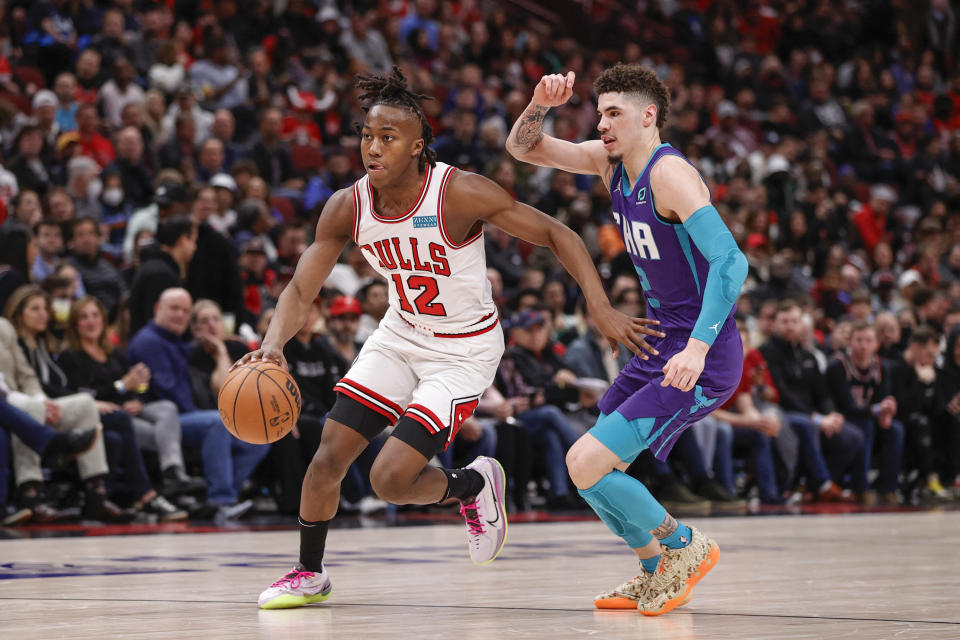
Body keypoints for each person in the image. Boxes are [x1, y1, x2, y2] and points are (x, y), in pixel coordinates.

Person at [238, 68, 658, 609]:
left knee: (390, 480)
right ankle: (308, 572)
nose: (372, 147)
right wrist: (274, 343)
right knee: (327, 459)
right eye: (367, 135)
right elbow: (300, 287)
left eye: (387, 138)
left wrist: (598, 306)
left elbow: (559, 233)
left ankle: (473, 486)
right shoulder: (348, 205)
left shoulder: (458, 193)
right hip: (399, 336)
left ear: (417, 147)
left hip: (463, 351)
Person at [506, 64, 747, 614]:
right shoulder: (607, 163)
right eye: (599, 115)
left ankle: (685, 546)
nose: (603, 125)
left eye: (614, 114)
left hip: (699, 356)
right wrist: (540, 103)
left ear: (648, 116)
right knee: (586, 468)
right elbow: (524, 150)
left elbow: (731, 261)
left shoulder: (672, 176)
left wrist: (697, 348)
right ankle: (652, 567)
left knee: (587, 461)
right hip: (658, 344)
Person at [128, 288, 269, 519]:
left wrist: (221, 344)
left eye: (185, 310)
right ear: (157, 309)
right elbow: (170, 395)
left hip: (183, 416)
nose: (180, 315)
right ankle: (221, 500)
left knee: (258, 438)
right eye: (174, 308)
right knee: (216, 422)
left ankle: (220, 499)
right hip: (163, 421)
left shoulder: (173, 341)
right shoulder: (149, 342)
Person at [58, 295, 205, 499]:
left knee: (167, 408)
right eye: (84, 317)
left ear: (103, 319)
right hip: (108, 415)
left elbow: (136, 386)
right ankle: (167, 485)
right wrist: (121, 387)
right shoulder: (70, 356)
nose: (91, 321)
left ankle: (173, 471)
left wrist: (138, 399)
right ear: (75, 324)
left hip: (129, 410)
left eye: (95, 315)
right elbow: (83, 395)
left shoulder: (113, 353)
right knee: (161, 436)